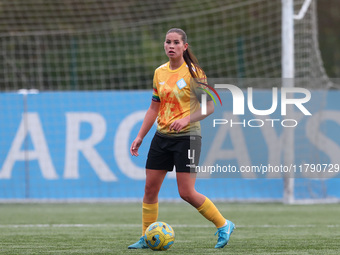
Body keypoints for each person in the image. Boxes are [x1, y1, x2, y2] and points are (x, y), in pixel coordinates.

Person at [128, 28, 235, 249]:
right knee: (150, 189)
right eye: (168, 42)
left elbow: (209, 107)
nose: (171, 46)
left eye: (176, 42)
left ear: (184, 46)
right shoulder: (159, 72)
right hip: (162, 137)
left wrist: (186, 119)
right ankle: (146, 237)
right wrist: (140, 136)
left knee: (186, 192)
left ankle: (223, 224)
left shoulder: (194, 73)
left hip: (187, 137)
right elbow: (153, 108)